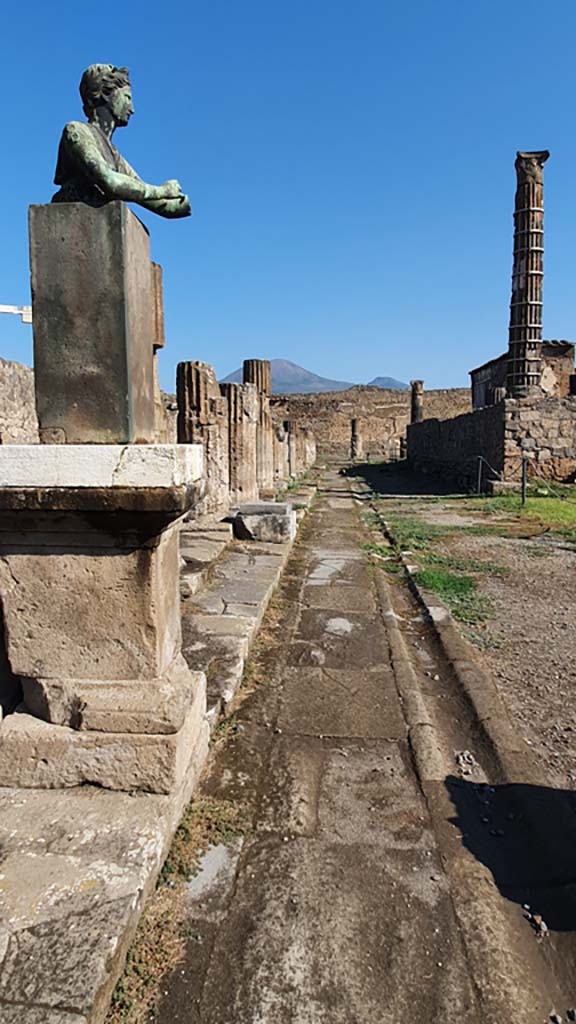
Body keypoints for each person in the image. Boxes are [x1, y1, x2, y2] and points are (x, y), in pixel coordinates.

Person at [52, 64, 191, 219]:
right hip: (73, 221)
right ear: (106, 94)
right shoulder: (76, 131)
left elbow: (146, 195)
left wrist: (179, 202)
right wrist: (163, 191)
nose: (132, 109)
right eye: (127, 98)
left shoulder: (114, 155)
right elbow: (110, 182)